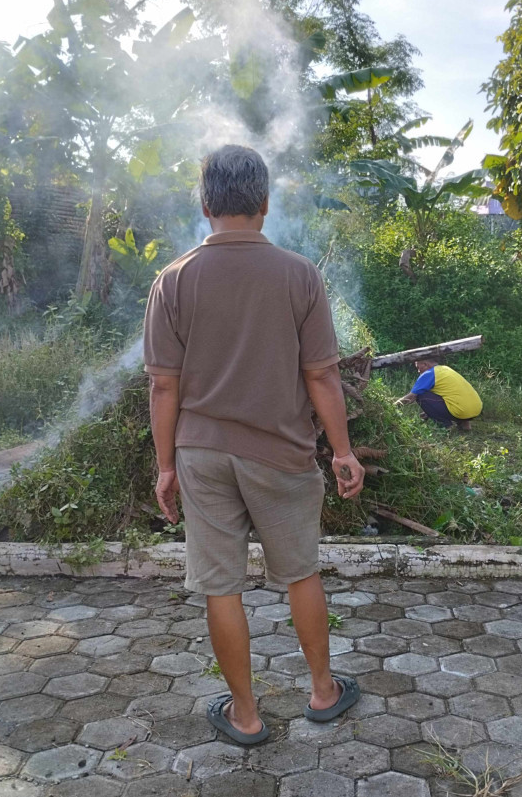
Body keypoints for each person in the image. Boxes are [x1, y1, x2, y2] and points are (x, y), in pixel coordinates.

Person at [143, 145, 365, 745]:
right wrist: (343, 452)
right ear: (264, 205)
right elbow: (321, 374)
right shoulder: (299, 275)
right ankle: (322, 691)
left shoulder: (174, 280)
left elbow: (164, 385)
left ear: (206, 203)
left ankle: (245, 715)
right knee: (300, 573)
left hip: (201, 453)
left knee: (221, 585)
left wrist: (166, 466)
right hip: (281, 453)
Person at [394, 357, 482, 430]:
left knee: (420, 395)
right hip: (476, 409)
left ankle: (446, 426)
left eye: (418, 367)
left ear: (425, 364)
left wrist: (392, 406)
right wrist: (429, 412)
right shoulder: (445, 369)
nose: (418, 371)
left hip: (460, 410)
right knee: (454, 397)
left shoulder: (429, 373)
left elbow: (411, 397)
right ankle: (465, 424)